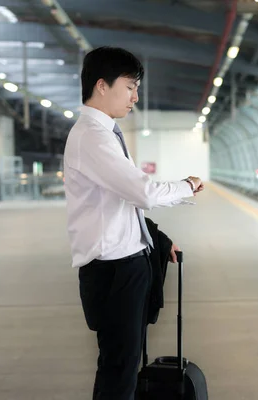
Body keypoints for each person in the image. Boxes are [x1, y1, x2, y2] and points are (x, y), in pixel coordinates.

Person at [63, 46, 204, 400]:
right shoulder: (92, 137)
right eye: (130, 87)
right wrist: (186, 186)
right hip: (113, 271)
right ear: (101, 86)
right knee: (118, 370)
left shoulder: (103, 134)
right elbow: (141, 192)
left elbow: (123, 201)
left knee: (123, 365)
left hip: (125, 264)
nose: (135, 97)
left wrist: (156, 238)